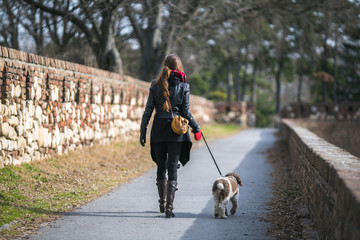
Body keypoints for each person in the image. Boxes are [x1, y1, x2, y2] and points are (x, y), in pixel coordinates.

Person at [139, 54, 202, 218]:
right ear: (178, 67)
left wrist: (143, 130)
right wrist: (196, 128)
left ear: (164, 66)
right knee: (172, 166)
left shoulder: (155, 85)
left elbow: (148, 111)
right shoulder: (184, 86)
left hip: (159, 128)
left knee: (161, 166)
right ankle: (169, 208)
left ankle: (161, 203)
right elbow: (186, 112)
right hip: (176, 131)